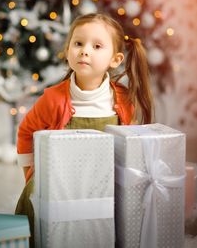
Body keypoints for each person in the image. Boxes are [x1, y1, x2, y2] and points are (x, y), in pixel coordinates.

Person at [15, 13, 153, 246]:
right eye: (78, 43)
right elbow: (26, 131)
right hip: (58, 181)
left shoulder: (122, 99)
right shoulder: (53, 98)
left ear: (115, 59)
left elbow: (126, 144)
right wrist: (30, 173)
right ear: (68, 49)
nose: (84, 51)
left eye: (97, 46)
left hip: (102, 181)